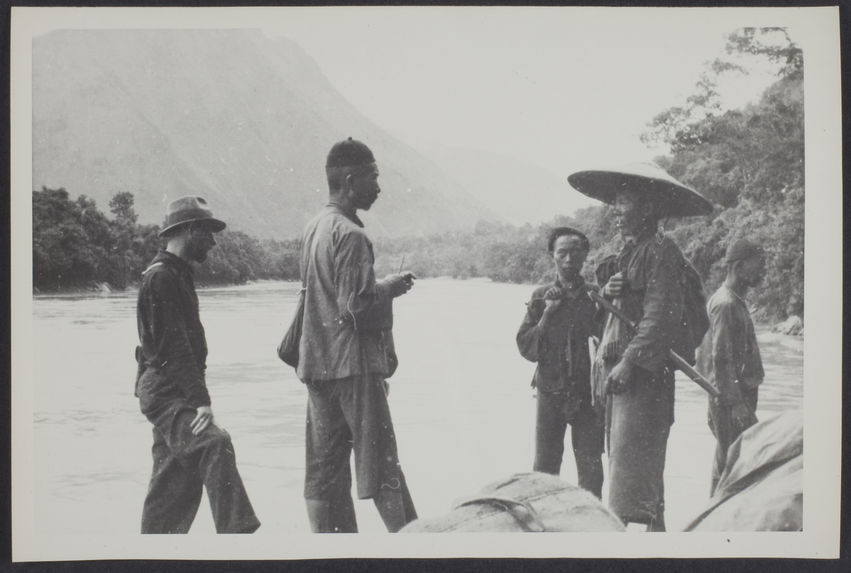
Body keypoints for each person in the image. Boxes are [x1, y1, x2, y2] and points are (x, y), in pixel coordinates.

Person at [567, 163, 712, 531]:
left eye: (624, 202)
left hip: (643, 378)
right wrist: (610, 287)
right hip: (623, 378)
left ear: (648, 208)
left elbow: (660, 316)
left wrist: (629, 362)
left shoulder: (661, 251)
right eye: (614, 202)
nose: (616, 211)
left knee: (632, 481)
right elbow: (620, 295)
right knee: (634, 474)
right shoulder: (630, 251)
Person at [297, 137, 417, 533]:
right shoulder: (351, 235)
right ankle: (411, 551)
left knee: (323, 468)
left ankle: (324, 552)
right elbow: (357, 308)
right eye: (373, 177)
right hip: (354, 367)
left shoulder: (314, 227)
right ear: (350, 180)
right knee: (381, 461)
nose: (379, 188)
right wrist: (392, 287)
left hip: (317, 366)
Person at [134, 196, 260, 534]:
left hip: (168, 388)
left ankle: (151, 553)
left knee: (171, 483)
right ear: (189, 230)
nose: (213, 241)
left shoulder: (175, 274)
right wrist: (200, 400)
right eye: (207, 232)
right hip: (165, 391)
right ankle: (240, 541)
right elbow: (175, 348)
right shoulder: (162, 278)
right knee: (214, 443)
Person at [516, 227, 604, 498]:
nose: (568, 260)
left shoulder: (596, 296)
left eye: (575, 253)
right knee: (544, 468)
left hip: (587, 395)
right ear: (552, 256)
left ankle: (592, 529)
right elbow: (526, 347)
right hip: (550, 392)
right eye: (562, 253)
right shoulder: (541, 296)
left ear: (585, 256)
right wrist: (547, 315)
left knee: (591, 468)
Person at [696, 238, 766, 496]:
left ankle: (715, 513)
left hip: (731, 396)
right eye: (759, 265)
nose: (763, 271)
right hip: (730, 399)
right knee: (733, 464)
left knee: (727, 461)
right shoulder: (725, 304)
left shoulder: (733, 300)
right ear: (738, 266)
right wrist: (736, 403)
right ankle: (720, 518)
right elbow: (720, 359)